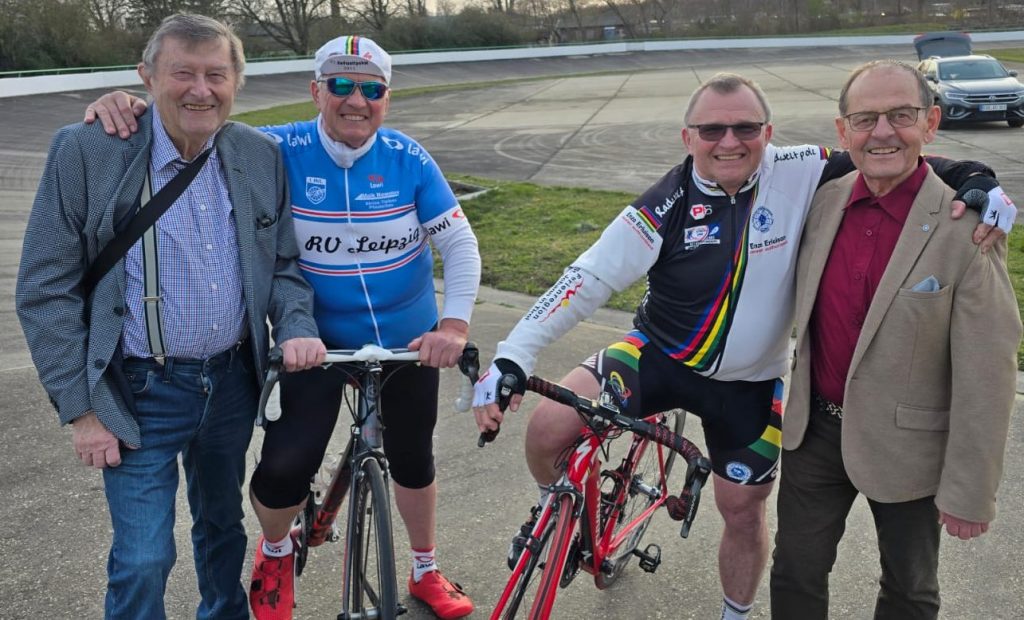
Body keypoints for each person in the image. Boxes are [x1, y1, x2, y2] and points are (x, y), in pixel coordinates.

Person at [470, 72, 1013, 620]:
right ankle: (551, 511)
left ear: (768, 133)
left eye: (745, 127)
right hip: (658, 357)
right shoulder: (664, 204)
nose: (729, 141)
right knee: (547, 427)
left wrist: (977, 177)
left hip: (750, 385)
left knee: (743, 510)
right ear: (688, 138)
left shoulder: (801, 169)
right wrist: (515, 351)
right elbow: (586, 278)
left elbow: (891, 154)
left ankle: (736, 613)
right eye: (711, 129)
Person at [84, 35, 480, 620]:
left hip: (408, 340)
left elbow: (460, 243)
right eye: (341, 86)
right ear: (316, 90)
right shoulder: (275, 148)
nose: (355, 100)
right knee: (283, 467)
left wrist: (452, 325)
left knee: (415, 459)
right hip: (312, 342)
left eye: (371, 89)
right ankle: (274, 551)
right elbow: (193, 126)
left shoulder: (409, 157)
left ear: (386, 99)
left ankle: (425, 568)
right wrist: (125, 106)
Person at [15, 13, 326, 620]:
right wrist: (80, 410)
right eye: (182, 73)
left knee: (222, 528)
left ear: (238, 81)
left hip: (232, 382)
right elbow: (43, 289)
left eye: (216, 74)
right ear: (146, 76)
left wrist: (296, 326)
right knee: (143, 557)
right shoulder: (88, 150)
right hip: (138, 391)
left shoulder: (258, 155)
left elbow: (283, 262)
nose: (200, 90)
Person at [769, 60, 1020, 619]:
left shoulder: (968, 227)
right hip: (815, 433)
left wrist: (970, 490)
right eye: (865, 119)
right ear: (843, 131)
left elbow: (988, 368)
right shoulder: (819, 203)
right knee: (794, 573)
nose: (881, 132)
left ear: (930, 122)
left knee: (910, 590)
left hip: (913, 446)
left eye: (901, 116)